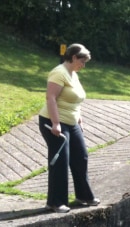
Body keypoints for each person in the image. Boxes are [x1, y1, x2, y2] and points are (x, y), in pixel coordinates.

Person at [39, 43, 100, 213]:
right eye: (82, 61)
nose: (83, 65)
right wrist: (56, 123)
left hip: (72, 123)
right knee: (60, 162)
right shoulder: (59, 73)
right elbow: (50, 98)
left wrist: (78, 117)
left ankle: (84, 196)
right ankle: (55, 202)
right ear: (73, 57)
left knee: (81, 157)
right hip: (53, 122)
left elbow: (75, 98)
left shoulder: (73, 74)